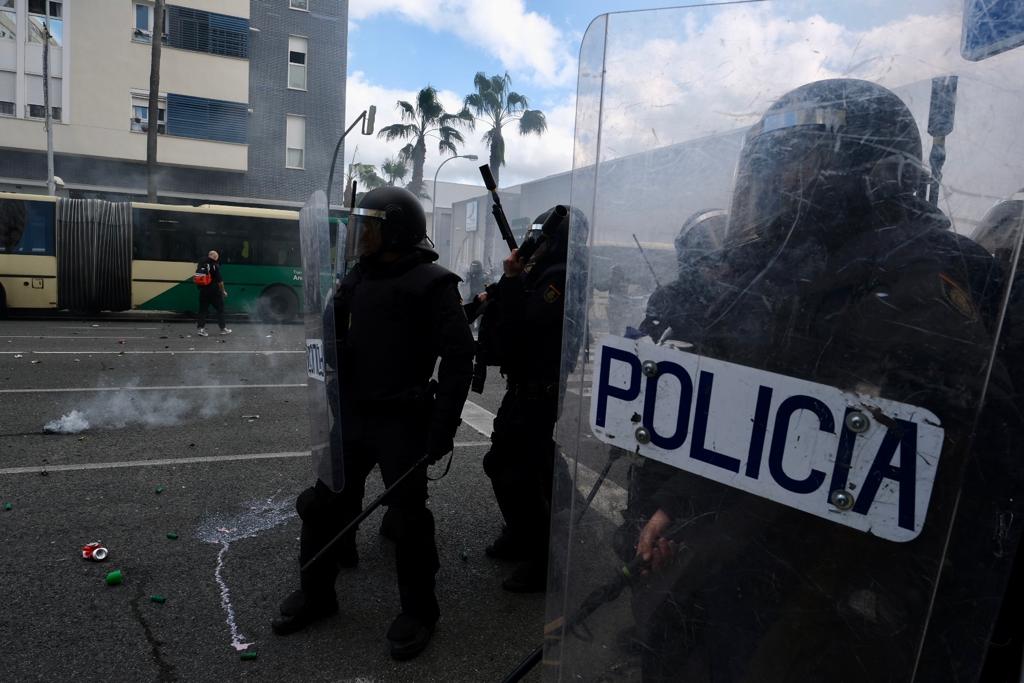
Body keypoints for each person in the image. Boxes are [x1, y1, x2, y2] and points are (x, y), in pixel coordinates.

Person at [622, 78, 1015, 681]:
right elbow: (750, 421)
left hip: (838, 612)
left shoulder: (916, 291)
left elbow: (964, 495)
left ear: (866, 169)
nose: (777, 185)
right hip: (753, 573)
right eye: (770, 166)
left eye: (798, 162)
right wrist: (682, 502)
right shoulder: (794, 278)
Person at [271, 186, 475, 661]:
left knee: (406, 517)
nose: (359, 236)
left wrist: (441, 429)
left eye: (368, 227)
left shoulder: (433, 283)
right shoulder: (357, 280)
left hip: (402, 420)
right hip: (354, 415)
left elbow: (461, 357)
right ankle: (318, 593)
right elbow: (331, 337)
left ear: (397, 232)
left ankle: (420, 611)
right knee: (326, 503)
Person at [479, 205, 581, 593]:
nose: (532, 245)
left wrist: (510, 281)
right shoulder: (539, 275)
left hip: (539, 392)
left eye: (540, 239)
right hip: (523, 387)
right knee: (514, 463)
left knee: (513, 472)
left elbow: (527, 323)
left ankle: (543, 557)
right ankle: (525, 534)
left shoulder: (559, 280)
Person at [194, 250, 230, 336]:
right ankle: (223, 329)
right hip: (214, 292)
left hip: (203, 291)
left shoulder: (201, 263)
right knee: (220, 309)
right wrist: (223, 291)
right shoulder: (214, 265)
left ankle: (200, 329)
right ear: (215, 257)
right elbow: (220, 281)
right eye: (217, 257)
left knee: (203, 310)